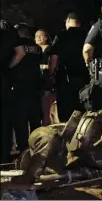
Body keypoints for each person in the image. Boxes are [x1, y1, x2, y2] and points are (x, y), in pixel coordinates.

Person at [50, 12, 90, 122]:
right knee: (82, 106)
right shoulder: (86, 36)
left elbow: (54, 57)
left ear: (68, 20)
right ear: (79, 23)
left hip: (65, 77)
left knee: (65, 108)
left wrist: (50, 73)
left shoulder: (62, 36)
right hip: (83, 76)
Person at [10, 23, 42, 153]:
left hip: (19, 85)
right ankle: (37, 145)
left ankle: (22, 147)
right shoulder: (37, 47)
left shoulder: (16, 45)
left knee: (20, 118)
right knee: (35, 117)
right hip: (34, 85)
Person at [0, 20, 26, 163]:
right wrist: (8, 68)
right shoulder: (9, 29)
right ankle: (4, 156)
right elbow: (20, 53)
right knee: (5, 117)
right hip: (3, 77)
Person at [35, 29, 59, 125]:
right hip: (39, 81)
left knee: (46, 109)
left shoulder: (50, 48)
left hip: (47, 81)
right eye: (36, 36)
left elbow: (53, 63)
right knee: (49, 110)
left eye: (41, 35)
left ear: (46, 37)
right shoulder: (35, 49)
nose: (38, 37)